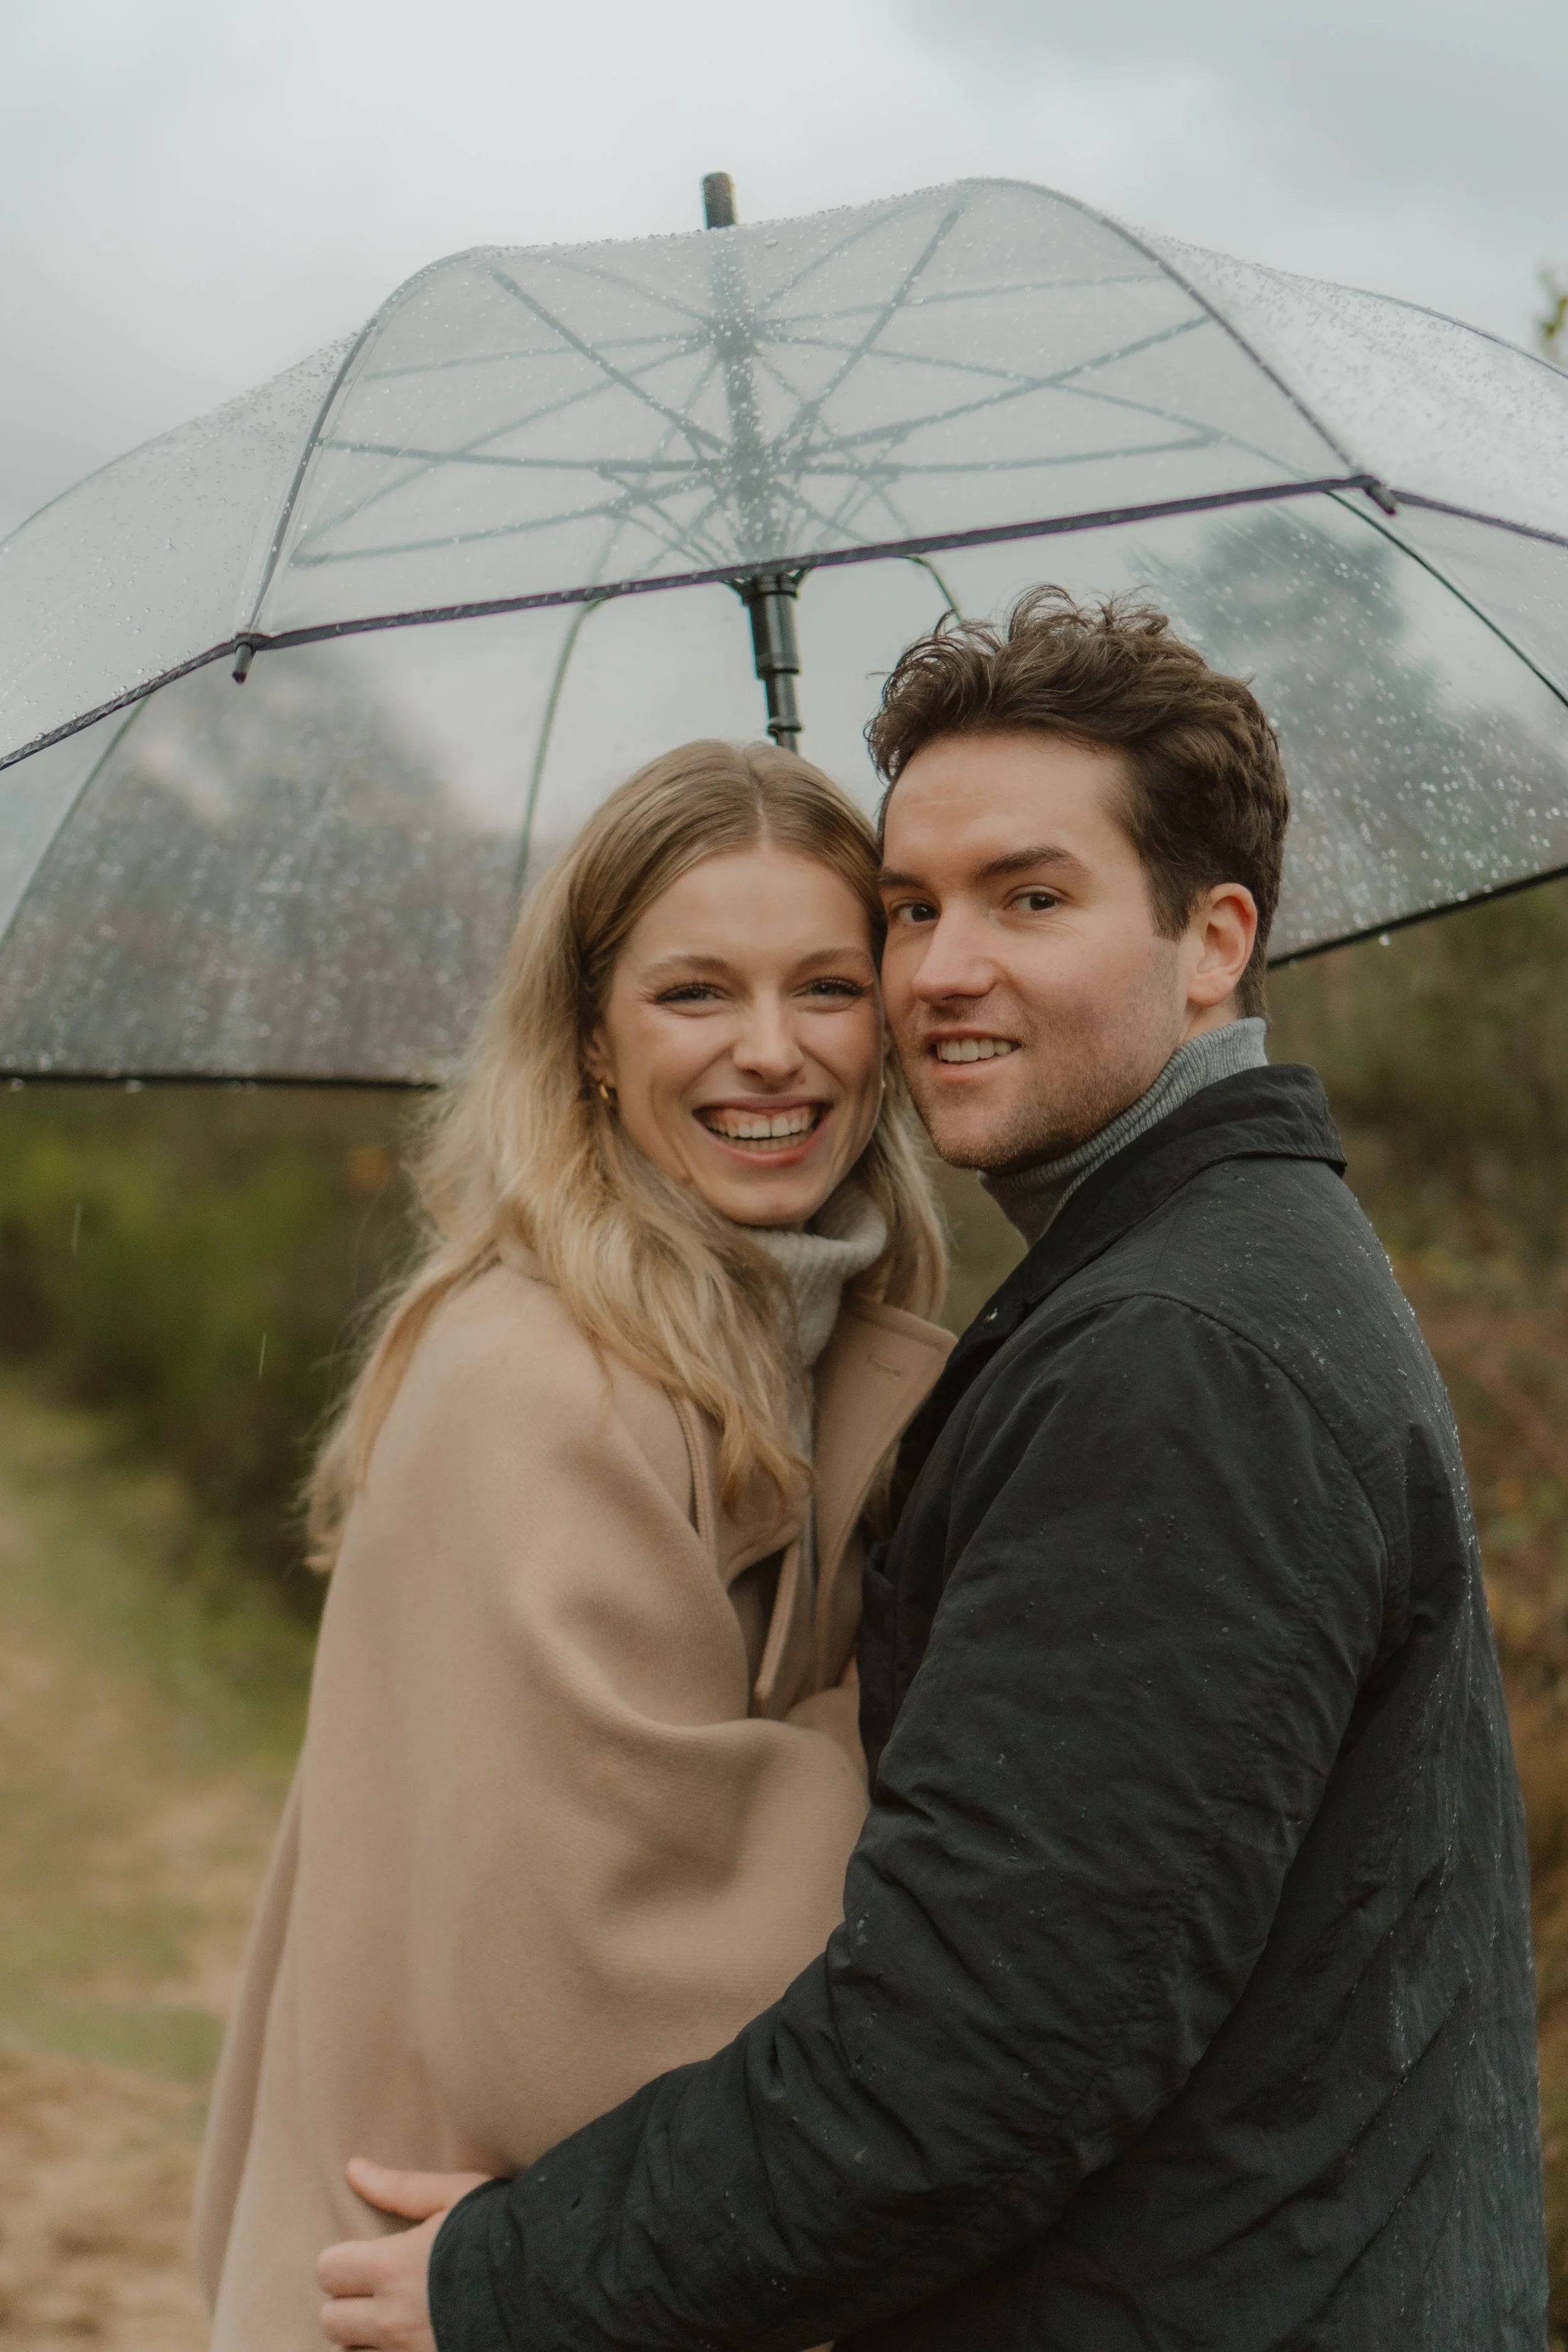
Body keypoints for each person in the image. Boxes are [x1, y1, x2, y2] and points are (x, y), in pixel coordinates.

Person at [320, 593, 1545, 2351]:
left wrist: (513, 2274)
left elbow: (970, 2055)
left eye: (1026, 897)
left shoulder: (1179, 1355)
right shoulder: (1192, 1279)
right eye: (907, 908)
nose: (936, 970)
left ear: (1210, 943)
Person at [192, 740, 953, 2347]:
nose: (772, 1053)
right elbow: (612, 1974)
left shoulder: (798, 1338)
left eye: (825, 985)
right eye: (694, 993)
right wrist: (928, 1708)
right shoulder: (540, 1383)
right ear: (593, 1040)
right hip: (448, 2273)